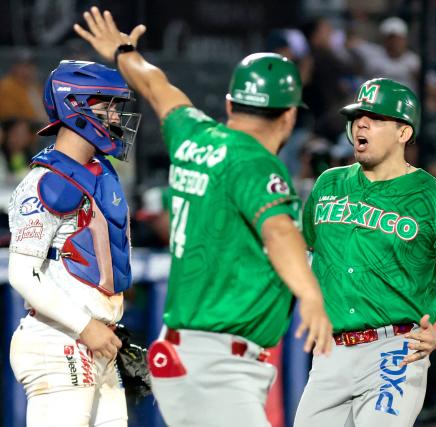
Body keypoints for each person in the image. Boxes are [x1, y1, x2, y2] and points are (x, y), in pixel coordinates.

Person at [74, 7, 332, 427]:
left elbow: (156, 87)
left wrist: (122, 51)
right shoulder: (257, 164)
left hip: (186, 355)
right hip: (219, 364)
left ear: (230, 103)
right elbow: (280, 231)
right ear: (290, 115)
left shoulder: (193, 135)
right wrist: (310, 295)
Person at [294, 78, 436, 427]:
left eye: (376, 118)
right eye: (358, 116)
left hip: (394, 350)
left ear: (403, 133)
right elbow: (303, 257)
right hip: (329, 351)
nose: (361, 124)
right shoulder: (327, 185)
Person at [7, 59, 142, 426]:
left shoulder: (102, 172)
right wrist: (87, 326)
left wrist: (106, 328)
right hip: (58, 339)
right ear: (76, 106)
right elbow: (22, 274)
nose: (116, 117)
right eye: (108, 105)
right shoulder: (45, 182)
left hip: (99, 340)